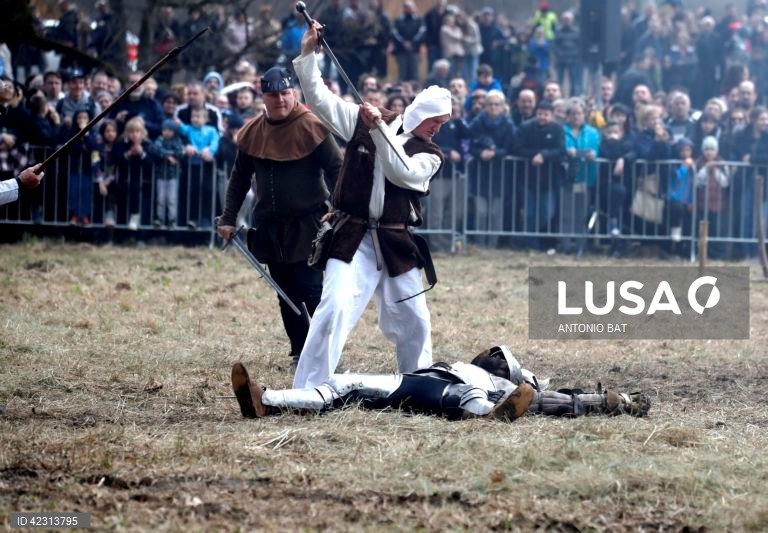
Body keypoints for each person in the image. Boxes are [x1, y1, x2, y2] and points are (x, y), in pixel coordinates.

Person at [290, 21, 451, 389]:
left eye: (443, 124)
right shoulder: (366, 121)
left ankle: (418, 386)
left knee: (415, 320)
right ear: (421, 113)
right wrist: (308, 54)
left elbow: (402, 173)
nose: (438, 129)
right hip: (352, 234)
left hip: (396, 241)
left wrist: (378, 129)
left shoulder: (431, 154)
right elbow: (320, 101)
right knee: (333, 308)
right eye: (436, 122)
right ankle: (308, 389)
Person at [218, 67, 343, 365]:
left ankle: (327, 351)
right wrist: (228, 217)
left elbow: (337, 169)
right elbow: (239, 178)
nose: (281, 100)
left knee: (312, 288)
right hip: (271, 225)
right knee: (285, 291)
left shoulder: (312, 126)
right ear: (264, 97)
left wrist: (338, 208)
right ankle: (300, 350)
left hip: (310, 222)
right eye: (274, 95)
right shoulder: (253, 131)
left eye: (285, 93)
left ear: (294, 93)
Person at [230, 345, 651, 420]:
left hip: (461, 397)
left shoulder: (517, 388)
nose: (491, 357)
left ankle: (486, 418)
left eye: (498, 358)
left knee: (467, 395)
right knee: (343, 383)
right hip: (416, 383)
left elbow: (559, 401)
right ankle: (266, 400)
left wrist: (612, 401)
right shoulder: (463, 365)